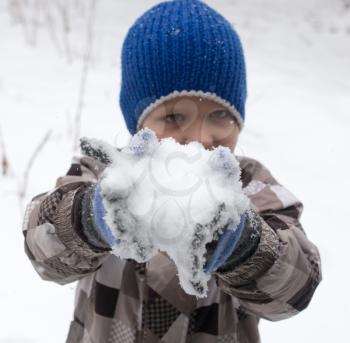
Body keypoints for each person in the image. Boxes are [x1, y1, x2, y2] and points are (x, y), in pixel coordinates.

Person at [22, 0, 322, 342]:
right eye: (175, 117)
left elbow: (298, 286)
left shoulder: (251, 188)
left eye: (220, 115)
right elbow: (42, 249)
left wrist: (244, 244)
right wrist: (90, 219)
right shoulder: (106, 178)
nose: (200, 137)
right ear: (138, 125)